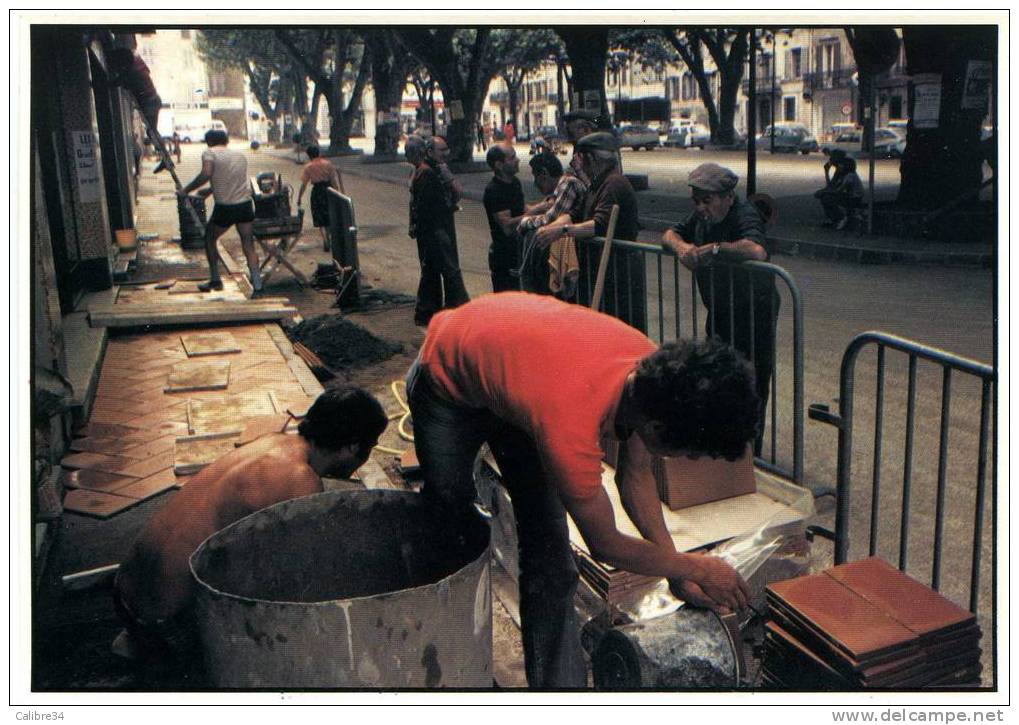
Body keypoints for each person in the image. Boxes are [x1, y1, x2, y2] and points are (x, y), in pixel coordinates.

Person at [408, 293, 756, 687]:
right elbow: (604, 543)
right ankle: (447, 677)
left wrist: (676, 570)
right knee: (451, 538)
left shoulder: (654, 379)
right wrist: (698, 567)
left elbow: (635, 480)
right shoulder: (570, 422)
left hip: (522, 378)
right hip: (448, 374)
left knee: (551, 563)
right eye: (688, 452)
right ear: (657, 427)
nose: (686, 460)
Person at [112, 386, 388, 668]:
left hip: (124, 594)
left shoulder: (270, 442)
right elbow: (299, 574)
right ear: (355, 445)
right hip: (165, 624)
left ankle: (142, 638)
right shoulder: (300, 480)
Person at [661, 162, 779, 451]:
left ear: (728, 197)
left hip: (753, 312)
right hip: (721, 308)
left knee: (750, 381)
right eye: (696, 200)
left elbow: (756, 249)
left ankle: (751, 450)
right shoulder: (701, 216)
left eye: (707, 200)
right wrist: (682, 248)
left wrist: (717, 249)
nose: (700, 207)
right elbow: (669, 234)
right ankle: (723, 442)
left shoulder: (744, 214)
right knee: (716, 375)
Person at [535, 131, 647, 332]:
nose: (577, 164)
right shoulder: (596, 184)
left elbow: (599, 225)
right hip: (600, 269)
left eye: (581, 158)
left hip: (618, 270)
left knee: (620, 327)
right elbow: (575, 213)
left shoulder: (614, 183)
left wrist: (562, 231)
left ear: (593, 159)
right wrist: (553, 227)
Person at [516, 110, 598, 297]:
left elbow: (552, 217)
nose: (569, 138)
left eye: (571, 133)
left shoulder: (580, 166)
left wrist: (524, 223)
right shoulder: (578, 159)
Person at [178, 129, 261, 293]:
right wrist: (210, 190)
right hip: (244, 204)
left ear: (209, 142)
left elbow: (207, 173)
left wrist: (186, 190)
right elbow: (230, 178)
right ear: (226, 141)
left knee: (209, 238)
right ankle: (257, 284)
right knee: (248, 243)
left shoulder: (209, 153)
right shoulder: (239, 155)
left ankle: (215, 279)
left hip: (226, 207)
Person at [409, 135, 470, 326]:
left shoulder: (429, 171)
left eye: (446, 149)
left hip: (435, 228)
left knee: (432, 271)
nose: (446, 154)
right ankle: (458, 310)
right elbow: (427, 205)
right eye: (441, 150)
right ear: (429, 152)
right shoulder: (428, 173)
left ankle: (429, 312)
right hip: (436, 228)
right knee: (449, 270)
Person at [482, 143, 526, 292]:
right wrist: (535, 213)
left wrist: (546, 207)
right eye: (512, 158)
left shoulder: (515, 183)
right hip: (504, 257)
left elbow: (522, 209)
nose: (517, 160)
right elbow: (507, 226)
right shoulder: (494, 190)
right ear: (499, 165)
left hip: (519, 252)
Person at [296, 144, 346, 251]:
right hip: (328, 190)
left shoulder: (308, 167)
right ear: (319, 153)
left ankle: (325, 239)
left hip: (317, 192)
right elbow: (334, 181)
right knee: (329, 215)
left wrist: (299, 198)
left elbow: (304, 184)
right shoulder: (328, 164)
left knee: (319, 217)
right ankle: (331, 237)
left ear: (309, 156)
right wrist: (338, 194)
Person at [815, 151, 864, 230]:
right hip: (849, 195)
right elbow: (831, 186)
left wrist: (825, 192)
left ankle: (841, 219)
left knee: (827, 198)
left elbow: (838, 191)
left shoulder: (849, 176)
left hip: (854, 198)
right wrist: (826, 172)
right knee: (825, 197)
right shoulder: (841, 172)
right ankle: (836, 220)